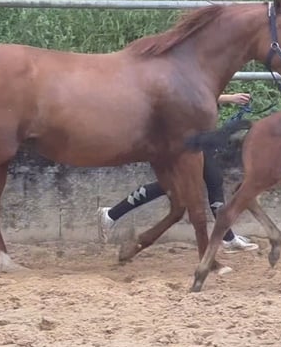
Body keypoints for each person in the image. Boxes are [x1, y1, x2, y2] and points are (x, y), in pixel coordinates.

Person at [98, 92, 259, 253]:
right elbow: (190, 92)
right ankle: (228, 238)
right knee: (200, 182)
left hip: (195, 135)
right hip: (187, 136)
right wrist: (229, 98)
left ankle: (111, 214)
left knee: (188, 184)